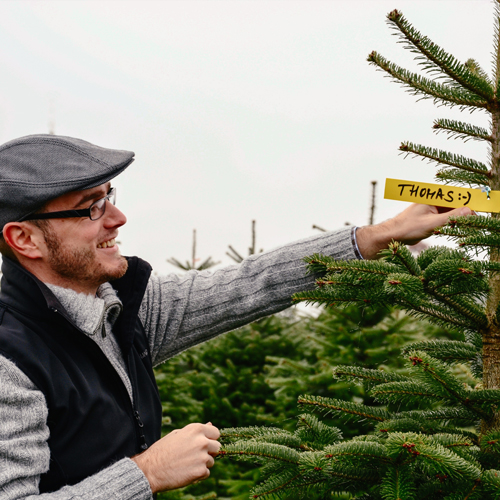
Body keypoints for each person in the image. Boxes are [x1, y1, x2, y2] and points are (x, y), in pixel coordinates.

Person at [0, 134, 472, 500]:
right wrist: (146, 473)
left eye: (110, 195)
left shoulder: (120, 313)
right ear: (25, 240)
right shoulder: (9, 360)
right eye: (92, 207)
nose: (117, 217)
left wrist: (380, 235)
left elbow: (254, 283)